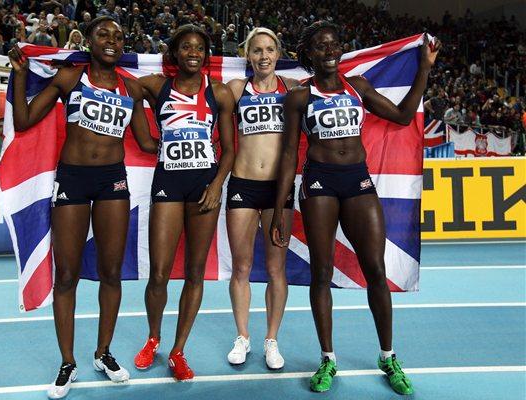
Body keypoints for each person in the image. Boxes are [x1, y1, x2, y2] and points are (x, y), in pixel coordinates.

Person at [270, 21, 440, 394]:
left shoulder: (357, 87)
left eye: (334, 45)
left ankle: (388, 355)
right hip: (318, 183)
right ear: (308, 56)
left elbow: (402, 116)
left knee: (375, 269)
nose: (329, 51)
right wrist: (283, 204)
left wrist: (424, 68)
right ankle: (328, 359)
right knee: (322, 273)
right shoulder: (299, 97)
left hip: (358, 181)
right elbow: (286, 156)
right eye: (320, 47)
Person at [8, 16, 157, 399]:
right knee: (68, 275)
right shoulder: (69, 78)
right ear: (88, 40)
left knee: (111, 272)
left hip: (113, 181)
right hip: (72, 179)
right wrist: (21, 73)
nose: (112, 40)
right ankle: (67, 361)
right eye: (104, 34)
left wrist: (190, 138)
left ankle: (103, 353)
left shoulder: (131, 87)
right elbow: (24, 121)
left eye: (119, 36)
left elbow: (145, 143)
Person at [133, 24, 235, 381]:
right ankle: (153, 338)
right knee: (159, 272)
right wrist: (145, 139)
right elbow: (122, 85)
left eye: (199, 48)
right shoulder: (157, 86)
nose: (193, 53)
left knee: (194, 272)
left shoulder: (219, 92)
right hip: (168, 184)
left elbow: (230, 149)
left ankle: (178, 350)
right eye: (186, 47)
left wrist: (217, 186)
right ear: (175, 54)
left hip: (204, 186)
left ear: (206, 56)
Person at [224, 27, 298, 370]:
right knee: (241, 267)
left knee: (275, 268)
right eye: (257, 50)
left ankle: (271, 339)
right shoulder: (237, 89)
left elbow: (334, 82)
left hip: (278, 191)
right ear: (248, 55)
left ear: (278, 53)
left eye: (270, 49)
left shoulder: (293, 90)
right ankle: (242, 336)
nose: (264, 56)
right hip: (242, 185)